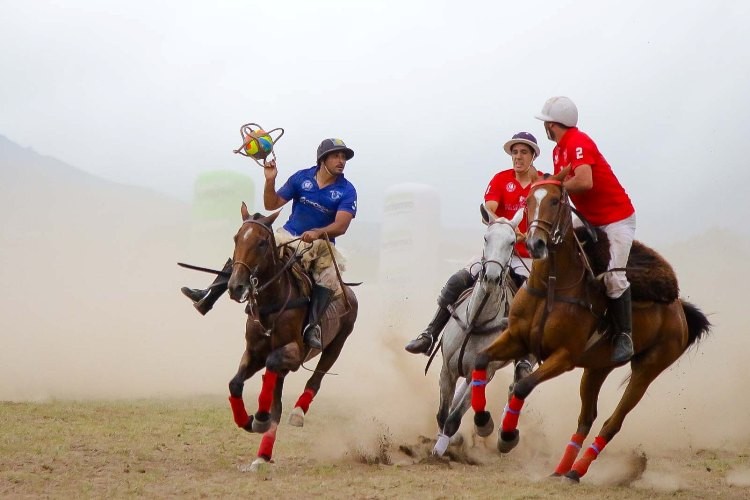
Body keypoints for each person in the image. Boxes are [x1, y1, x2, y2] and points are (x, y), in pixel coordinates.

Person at [181, 138, 358, 350]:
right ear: (323, 159)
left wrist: (318, 232)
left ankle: (312, 327)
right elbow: (271, 204)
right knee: (251, 248)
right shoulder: (301, 178)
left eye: (343, 157)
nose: (341, 161)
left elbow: (341, 226)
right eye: (336, 156)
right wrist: (270, 180)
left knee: (328, 278)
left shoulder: (347, 190)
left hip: (322, 245)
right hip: (288, 236)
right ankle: (208, 296)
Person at [404, 131, 543, 355]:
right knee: (457, 281)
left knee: (532, 302)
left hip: (525, 257)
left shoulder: (542, 183)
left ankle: (525, 358)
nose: (518, 157)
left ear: (533, 155)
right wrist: (506, 229)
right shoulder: (501, 179)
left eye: (524, 152)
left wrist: (526, 236)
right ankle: (429, 334)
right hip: (496, 253)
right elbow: (488, 210)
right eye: (515, 152)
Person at [534, 96, 636, 363]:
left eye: (546, 123)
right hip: (588, 218)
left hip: (616, 219)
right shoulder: (558, 150)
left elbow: (584, 181)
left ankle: (624, 336)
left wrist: (555, 187)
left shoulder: (578, 142)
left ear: (552, 125)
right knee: (556, 242)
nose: (545, 127)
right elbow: (561, 181)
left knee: (613, 277)